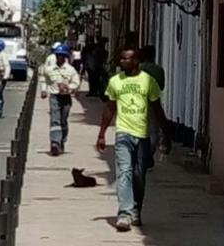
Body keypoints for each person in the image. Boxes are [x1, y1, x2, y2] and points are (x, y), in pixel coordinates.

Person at [96, 45, 170, 231]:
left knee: (139, 175)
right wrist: (102, 134)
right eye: (121, 59)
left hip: (143, 135)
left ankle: (136, 209)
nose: (122, 62)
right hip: (123, 134)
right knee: (124, 173)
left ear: (136, 60)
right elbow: (110, 108)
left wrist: (166, 134)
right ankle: (124, 213)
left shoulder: (148, 81)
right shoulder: (115, 81)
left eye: (126, 59)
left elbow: (157, 109)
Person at [39, 44, 81, 156]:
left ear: (66, 57)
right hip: (54, 96)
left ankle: (62, 140)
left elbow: (76, 83)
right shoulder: (49, 69)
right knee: (55, 120)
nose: (59, 58)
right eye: (58, 55)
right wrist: (44, 90)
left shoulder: (71, 70)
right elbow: (44, 79)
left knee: (63, 120)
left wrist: (69, 87)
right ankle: (55, 143)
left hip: (66, 98)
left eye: (62, 56)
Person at [140, 45, 167, 169]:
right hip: (153, 103)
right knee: (153, 131)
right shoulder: (159, 70)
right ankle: (148, 154)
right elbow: (161, 86)